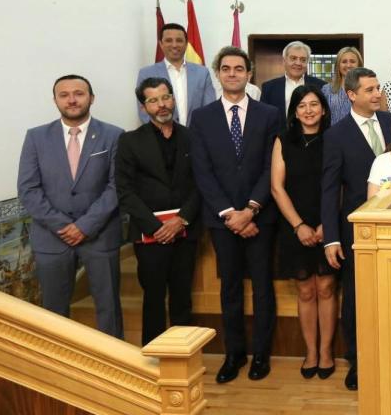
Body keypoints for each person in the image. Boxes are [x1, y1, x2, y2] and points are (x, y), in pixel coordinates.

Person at [189, 47, 283, 383]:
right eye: (226, 68)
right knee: (229, 287)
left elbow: (269, 166)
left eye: (239, 68)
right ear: (217, 73)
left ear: (249, 73)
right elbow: (202, 171)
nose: (232, 73)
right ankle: (234, 354)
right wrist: (231, 214)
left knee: (262, 288)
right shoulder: (201, 118)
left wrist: (251, 209)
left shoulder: (270, 114)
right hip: (222, 219)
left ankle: (261, 354)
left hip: (260, 216)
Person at [17, 75, 124, 337]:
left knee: (108, 307)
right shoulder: (36, 137)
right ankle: (58, 369)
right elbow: (28, 189)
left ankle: (116, 368)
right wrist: (64, 226)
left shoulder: (114, 135)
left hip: (99, 235)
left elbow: (117, 186)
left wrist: (85, 226)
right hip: (52, 238)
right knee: (53, 311)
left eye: (79, 93)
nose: (72, 99)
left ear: (92, 98)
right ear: (55, 100)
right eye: (64, 95)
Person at [320, 67, 391, 391]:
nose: (377, 94)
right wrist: (332, 238)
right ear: (351, 95)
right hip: (357, 232)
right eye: (369, 90)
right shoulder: (336, 135)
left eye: (378, 88)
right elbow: (329, 189)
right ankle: (357, 361)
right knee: (355, 299)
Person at [116, 77, 201, 346]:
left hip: (185, 230)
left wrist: (181, 219)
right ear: (144, 108)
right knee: (153, 296)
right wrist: (156, 227)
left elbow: (202, 182)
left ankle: (183, 353)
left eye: (165, 98)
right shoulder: (130, 141)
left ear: (173, 100)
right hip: (149, 234)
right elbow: (125, 190)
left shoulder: (192, 136)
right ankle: (152, 358)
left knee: (182, 294)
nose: (161, 105)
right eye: (153, 100)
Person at [270, 84, 338, 380]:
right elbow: (276, 187)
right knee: (306, 289)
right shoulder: (283, 140)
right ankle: (310, 351)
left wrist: (328, 223)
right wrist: (299, 225)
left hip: (328, 224)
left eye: (314, 105)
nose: (308, 110)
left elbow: (343, 184)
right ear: (294, 113)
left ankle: (326, 352)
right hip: (295, 226)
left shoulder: (335, 139)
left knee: (326, 287)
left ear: (324, 109)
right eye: (302, 106)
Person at [136, 23, 217, 126]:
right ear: (161, 44)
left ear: (186, 44)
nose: (174, 45)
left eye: (179, 40)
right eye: (169, 40)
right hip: (161, 139)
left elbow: (209, 109)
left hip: (196, 137)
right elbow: (144, 112)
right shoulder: (146, 73)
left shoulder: (202, 73)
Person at [261, 41, 327, 117]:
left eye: (303, 60)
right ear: (284, 61)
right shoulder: (269, 87)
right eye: (293, 58)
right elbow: (264, 117)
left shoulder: (321, 86)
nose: (298, 63)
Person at [322, 46, 363, 125]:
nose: (348, 65)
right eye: (344, 62)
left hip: (358, 135)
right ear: (338, 65)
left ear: (359, 64)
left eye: (352, 61)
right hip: (333, 135)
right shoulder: (326, 89)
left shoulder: (365, 89)